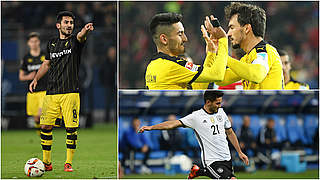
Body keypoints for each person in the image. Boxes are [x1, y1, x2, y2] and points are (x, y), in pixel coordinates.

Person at [29, 11, 94, 172]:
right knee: (45, 126)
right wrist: (36, 79)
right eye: (66, 22)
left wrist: (85, 30)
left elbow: (81, 36)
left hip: (70, 92)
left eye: (71, 23)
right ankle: (46, 162)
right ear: (59, 25)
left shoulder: (75, 42)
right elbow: (46, 64)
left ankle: (68, 163)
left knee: (71, 128)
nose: (69, 25)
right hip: (51, 92)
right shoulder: (51, 44)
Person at [139, 91, 249, 179]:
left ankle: (197, 171)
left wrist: (239, 152)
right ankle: (200, 171)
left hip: (227, 158)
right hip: (212, 160)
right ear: (208, 102)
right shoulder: (196, 117)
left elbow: (230, 132)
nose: (219, 106)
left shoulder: (221, 112)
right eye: (217, 103)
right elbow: (173, 124)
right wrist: (151, 127)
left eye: (220, 103)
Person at [145, 12, 228, 90]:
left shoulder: (152, 66)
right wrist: (223, 40)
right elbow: (217, 75)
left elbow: (197, 89)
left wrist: (211, 53)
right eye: (180, 34)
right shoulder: (173, 66)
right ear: (164, 39)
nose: (185, 39)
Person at [215, 2, 284, 90]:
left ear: (247, 29)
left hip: (271, 103)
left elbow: (256, 75)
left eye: (232, 28)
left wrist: (224, 56)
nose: (228, 34)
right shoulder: (246, 59)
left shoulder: (265, 51)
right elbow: (220, 79)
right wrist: (213, 52)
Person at [19, 32, 47, 134]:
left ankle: (45, 137)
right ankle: (41, 135)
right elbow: (21, 77)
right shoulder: (26, 58)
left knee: (41, 115)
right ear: (28, 43)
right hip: (32, 92)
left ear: (39, 42)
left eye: (36, 41)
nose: (34, 43)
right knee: (36, 119)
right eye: (32, 41)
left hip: (44, 91)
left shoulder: (45, 56)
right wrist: (29, 77)